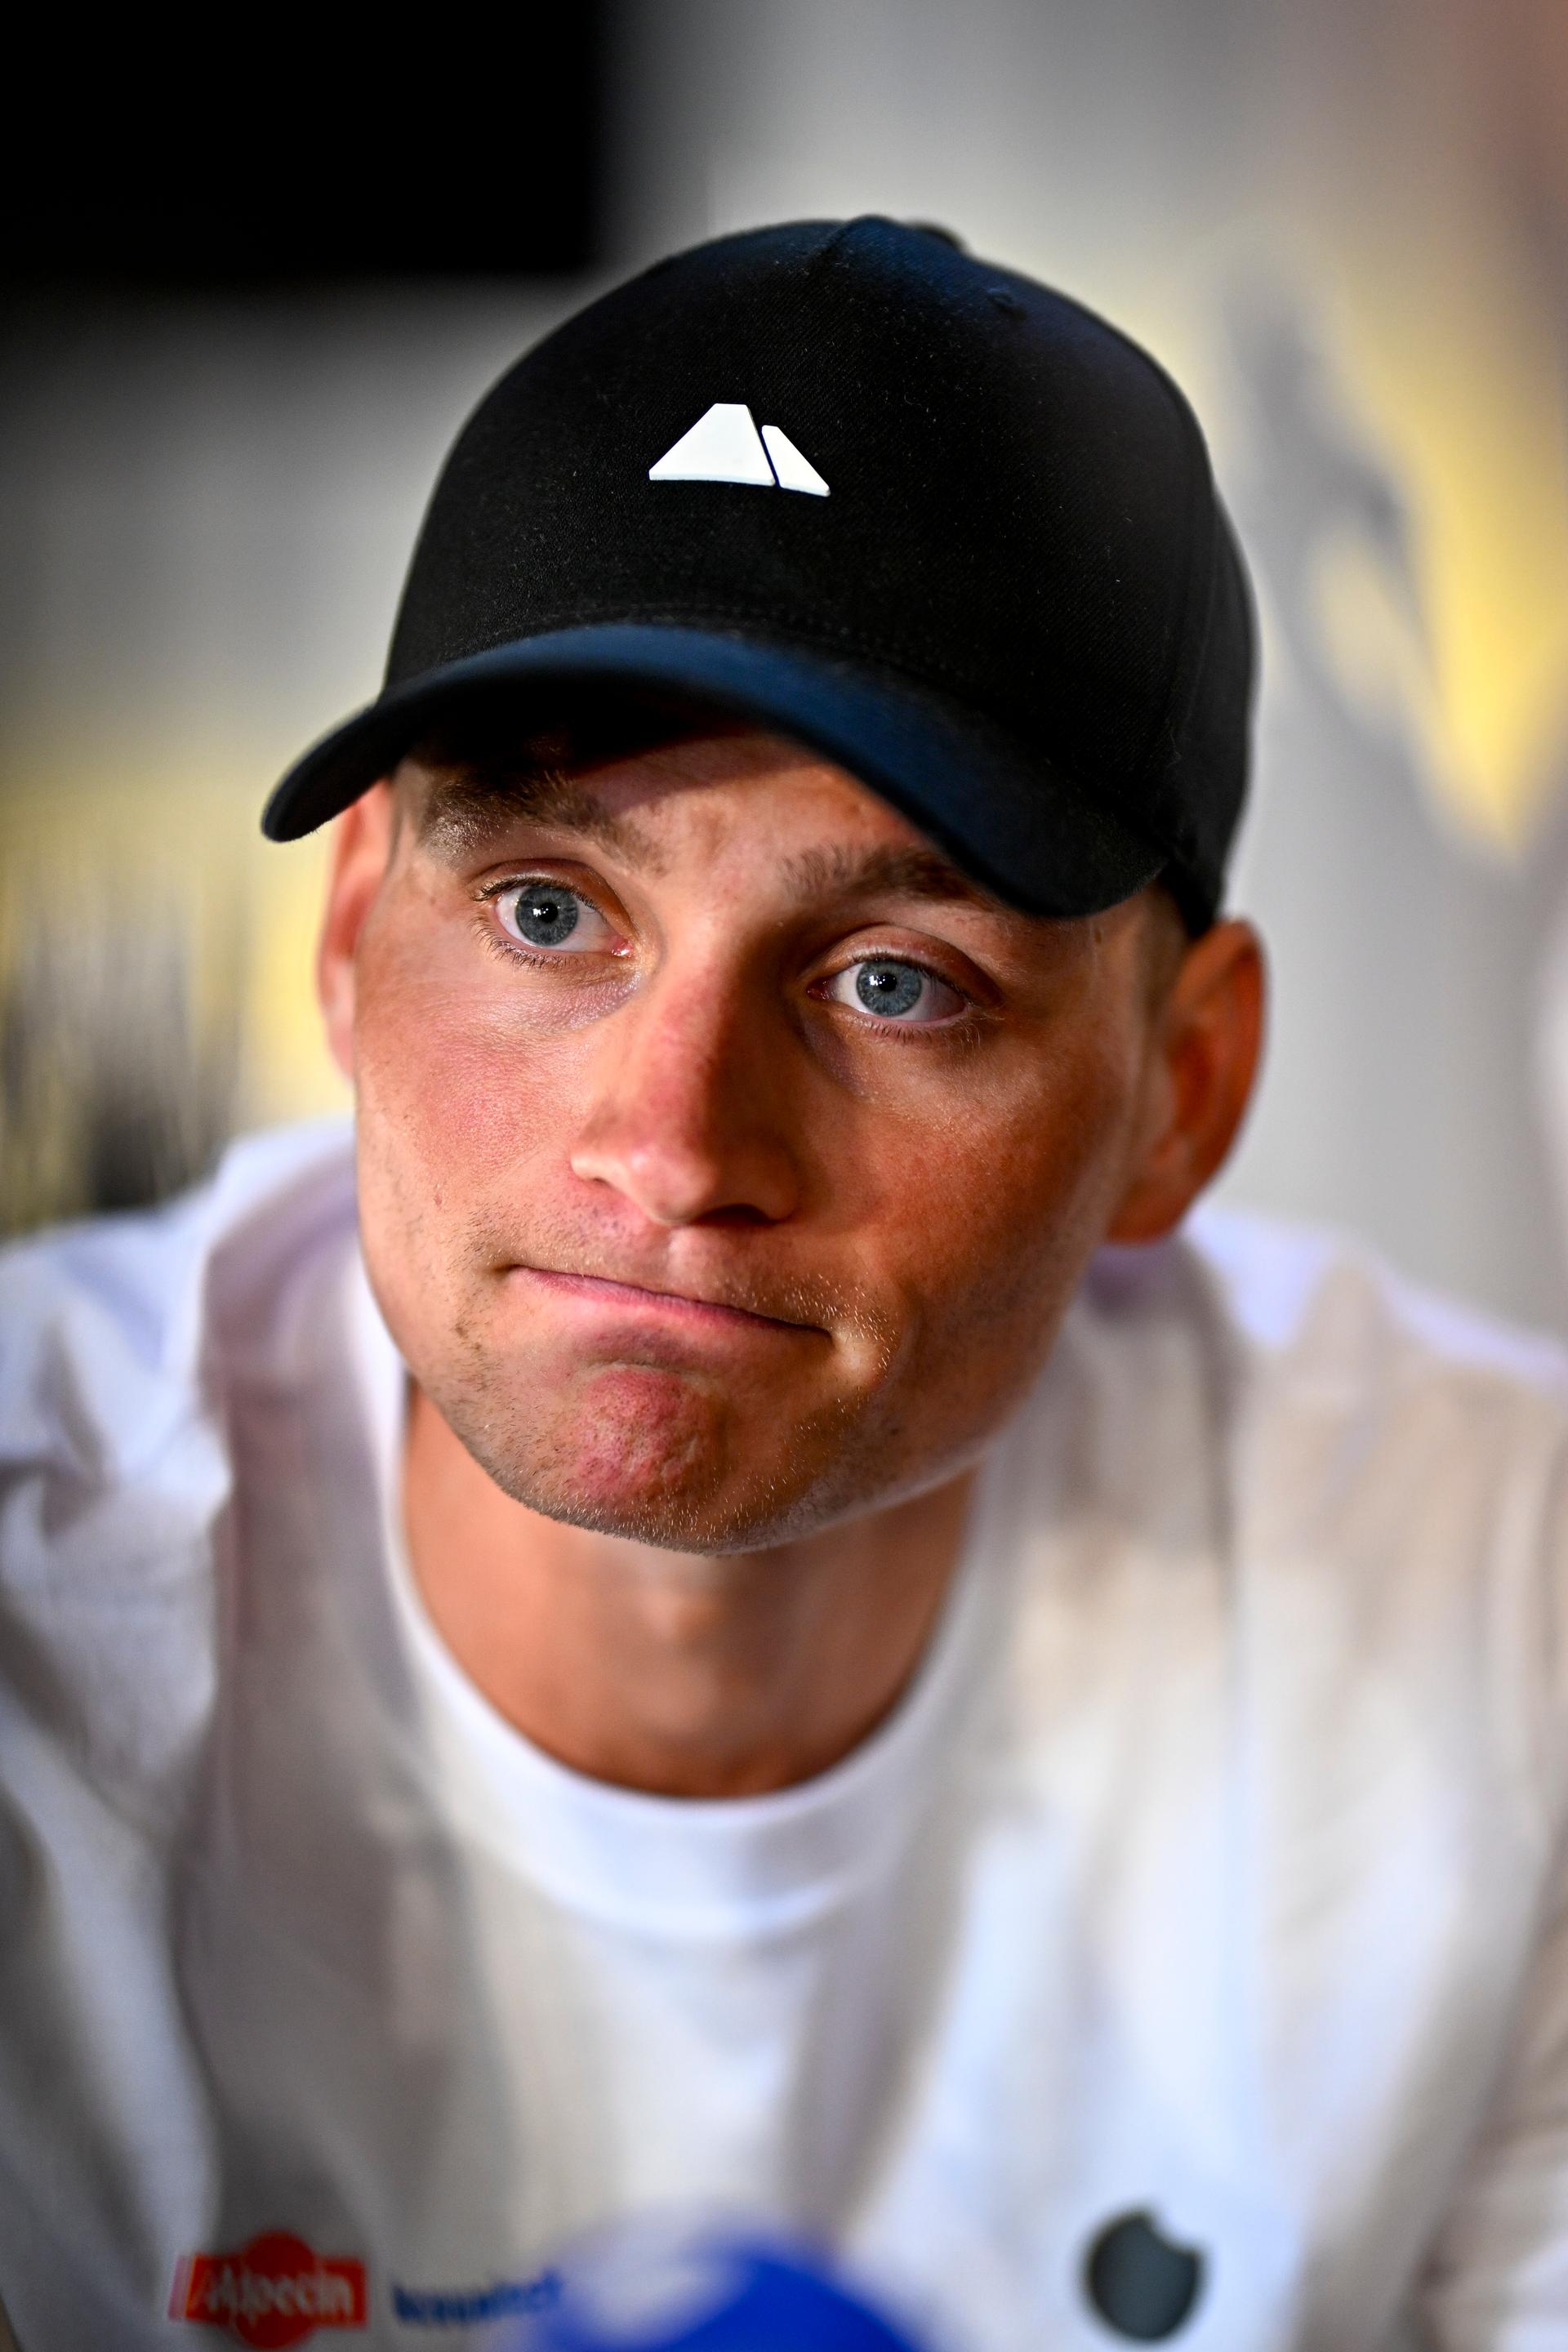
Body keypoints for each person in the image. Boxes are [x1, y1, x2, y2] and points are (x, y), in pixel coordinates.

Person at [1, 216, 1565, 2352]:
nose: (673, 1145)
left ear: (1182, 1095)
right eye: (552, 913)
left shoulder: (1502, 1625)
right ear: (357, 933)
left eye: (895, 981)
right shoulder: (34, 1624)